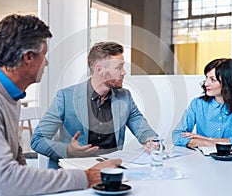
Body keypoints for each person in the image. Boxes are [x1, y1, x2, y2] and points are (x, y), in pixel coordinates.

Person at [0, 14, 121, 195]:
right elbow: (7, 181)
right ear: (28, 57)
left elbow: (17, 162)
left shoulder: (9, 97)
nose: (47, 62)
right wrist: (87, 177)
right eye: (44, 54)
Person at [31, 41, 158, 169]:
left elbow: (142, 128)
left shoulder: (125, 97)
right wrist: (69, 150)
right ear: (100, 70)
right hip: (75, 172)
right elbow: (38, 140)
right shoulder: (65, 97)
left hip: (111, 171)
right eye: (119, 67)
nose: (123, 72)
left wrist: (150, 140)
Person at [172, 58, 232, 151]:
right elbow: (177, 136)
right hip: (203, 161)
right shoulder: (197, 104)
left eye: (213, 80)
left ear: (228, 83)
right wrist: (205, 142)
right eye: (206, 78)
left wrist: (208, 139)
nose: (206, 84)